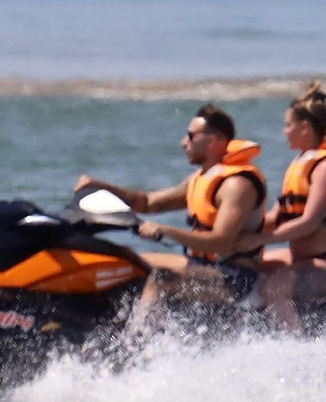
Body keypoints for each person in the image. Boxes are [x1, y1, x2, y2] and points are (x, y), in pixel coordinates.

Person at [74, 103, 266, 307]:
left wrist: (166, 230)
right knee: (128, 261)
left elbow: (221, 243)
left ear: (212, 141)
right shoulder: (201, 179)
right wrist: (100, 186)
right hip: (201, 266)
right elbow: (147, 203)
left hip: (233, 277)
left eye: (191, 136)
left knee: (161, 279)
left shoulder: (237, 185)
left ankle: (138, 338)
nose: (183, 143)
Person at [232, 82, 326, 333]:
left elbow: (309, 221)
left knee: (275, 286)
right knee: (242, 267)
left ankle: (293, 349)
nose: (284, 131)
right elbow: (277, 217)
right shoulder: (300, 164)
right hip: (299, 258)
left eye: (288, 125)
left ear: (304, 128)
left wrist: (260, 238)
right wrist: (234, 238)